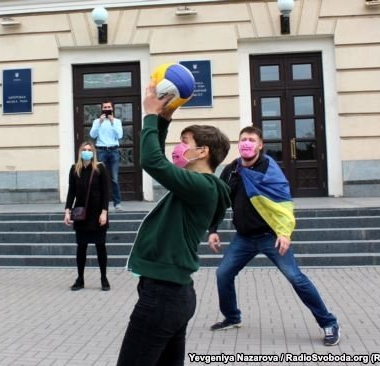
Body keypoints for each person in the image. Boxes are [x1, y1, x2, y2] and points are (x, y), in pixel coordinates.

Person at [116, 84, 231, 366]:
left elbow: (152, 162)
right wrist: (164, 119)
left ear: (202, 152)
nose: (179, 149)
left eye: (185, 143)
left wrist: (150, 117)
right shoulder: (199, 187)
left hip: (163, 297)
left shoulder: (201, 186)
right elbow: (159, 162)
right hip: (172, 295)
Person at [208, 125, 340, 346]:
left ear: (260, 145)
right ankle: (232, 317)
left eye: (251, 140)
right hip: (244, 238)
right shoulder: (231, 170)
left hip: (271, 236)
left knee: (296, 278)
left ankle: (329, 322)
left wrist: (284, 233)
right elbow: (220, 202)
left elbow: (283, 205)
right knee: (223, 274)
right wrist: (213, 230)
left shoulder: (269, 170)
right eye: (243, 140)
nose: (246, 143)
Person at [64, 141, 111, 291]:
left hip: (97, 214)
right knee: (81, 247)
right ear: (80, 152)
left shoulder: (100, 168)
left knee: (100, 247)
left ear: (93, 152)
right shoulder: (74, 169)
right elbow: (71, 192)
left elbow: (106, 192)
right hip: (81, 214)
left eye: (89, 150)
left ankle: (104, 278)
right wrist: (67, 211)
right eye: (84, 149)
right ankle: (80, 279)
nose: (86, 152)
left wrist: (104, 212)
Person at [89, 100, 124, 211]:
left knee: (114, 178)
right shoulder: (97, 121)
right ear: (102, 109)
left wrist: (112, 122)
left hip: (113, 151)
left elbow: (120, 135)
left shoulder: (117, 121)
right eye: (105, 107)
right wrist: (100, 122)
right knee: (99, 178)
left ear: (112, 108)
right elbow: (92, 135)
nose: (107, 108)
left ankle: (117, 203)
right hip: (101, 151)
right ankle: (99, 202)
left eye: (109, 107)